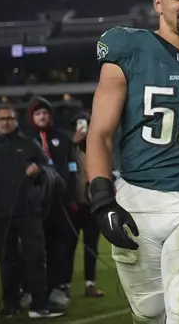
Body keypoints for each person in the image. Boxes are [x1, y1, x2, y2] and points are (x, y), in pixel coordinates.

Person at [85, 0, 179, 323]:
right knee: (148, 315)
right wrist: (102, 200)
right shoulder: (128, 48)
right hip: (137, 199)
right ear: (158, 4)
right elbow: (99, 133)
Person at [0, 106, 65, 319]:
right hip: (0, 214)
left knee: (36, 258)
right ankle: (10, 306)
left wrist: (39, 171)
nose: (5, 123)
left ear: (16, 121)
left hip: (29, 211)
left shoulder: (29, 144)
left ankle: (39, 306)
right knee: (7, 260)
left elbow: (50, 172)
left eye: (9, 118)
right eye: (0, 119)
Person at [29, 96, 79, 305]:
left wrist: (72, 197)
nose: (42, 116)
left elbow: (73, 171)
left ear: (50, 116)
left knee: (57, 247)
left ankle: (56, 287)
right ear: (32, 117)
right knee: (33, 249)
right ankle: (31, 289)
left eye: (45, 113)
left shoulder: (63, 138)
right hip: (34, 205)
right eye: (38, 113)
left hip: (59, 204)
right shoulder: (25, 140)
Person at [60, 112, 104, 298]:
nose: (82, 128)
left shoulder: (97, 148)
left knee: (91, 246)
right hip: (72, 205)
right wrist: (72, 143)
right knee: (67, 247)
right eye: (79, 125)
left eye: (86, 124)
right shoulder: (67, 148)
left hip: (92, 204)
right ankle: (64, 284)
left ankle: (90, 284)